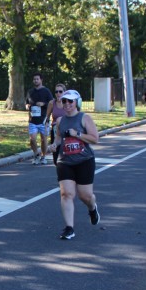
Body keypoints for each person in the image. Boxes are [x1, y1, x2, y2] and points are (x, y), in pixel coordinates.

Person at [52, 89, 99, 240]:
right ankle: (69, 228)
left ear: (77, 102)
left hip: (84, 161)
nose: (67, 104)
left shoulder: (84, 118)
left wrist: (77, 134)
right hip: (65, 161)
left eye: (70, 101)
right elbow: (58, 138)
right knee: (66, 194)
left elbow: (95, 138)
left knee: (85, 196)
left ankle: (92, 208)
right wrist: (54, 145)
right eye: (64, 101)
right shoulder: (60, 121)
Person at [26, 73, 54, 164]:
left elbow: (51, 103)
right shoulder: (30, 91)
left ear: (41, 80)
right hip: (32, 120)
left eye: (37, 79)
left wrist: (43, 104)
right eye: (34, 79)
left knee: (43, 139)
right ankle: (36, 155)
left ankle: (43, 157)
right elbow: (27, 102)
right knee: (32, 139)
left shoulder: (46, 91)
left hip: (43, 120)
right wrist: (27, 106)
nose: (35, 81)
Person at [48, 83, 68, 155]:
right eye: (56, 92)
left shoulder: (68, 103)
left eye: (60, 91)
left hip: (66, 128)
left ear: (64, 92)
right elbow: (47, 117)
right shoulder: (52, 103)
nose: (58, 93)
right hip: (55, 129)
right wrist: (46, 126)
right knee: (55, 152)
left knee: (65, 151)